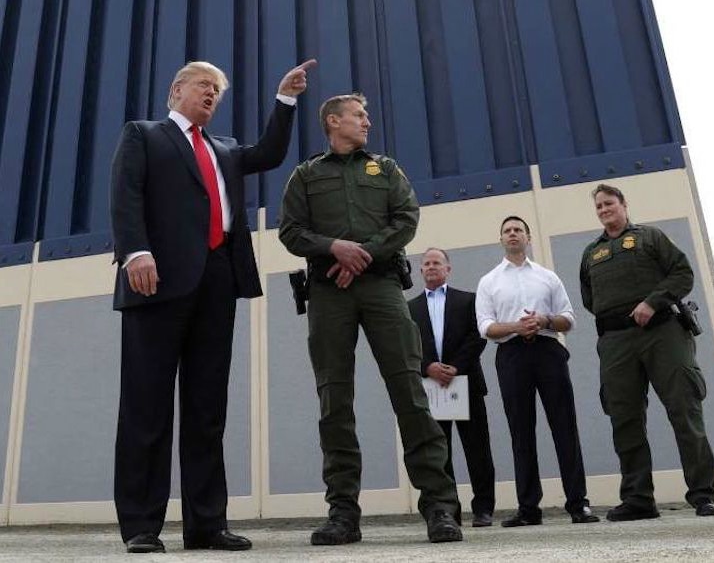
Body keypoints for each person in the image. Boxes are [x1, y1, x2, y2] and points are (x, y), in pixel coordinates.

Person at [110, 58, 315, 553]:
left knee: (207, 409)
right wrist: (135, 252)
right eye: (204, 85)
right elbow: (125, 193)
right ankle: (141, 525)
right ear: (177, 88)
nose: (211, 95)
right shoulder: (144, 135)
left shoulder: (224, 149)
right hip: (154, 282)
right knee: (147, 407)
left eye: (217, 91)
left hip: (216, 285)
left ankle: (206, 523)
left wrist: (285, 99)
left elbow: (268, 152)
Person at [278, 94, 462, 545]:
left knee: (409, 392)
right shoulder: (306, 175)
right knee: (334, 400)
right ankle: (343, 512)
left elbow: (406, 218)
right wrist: (333, 249)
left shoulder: (386, 168)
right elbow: (290, 231)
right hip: (328, 293)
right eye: (359, 115)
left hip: (381, 287)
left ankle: (439, 506)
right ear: (333, 121)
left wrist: (363, 255)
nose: (367, 121)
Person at [578, 184, 714, 521]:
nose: (603, 210)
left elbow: (683, 273)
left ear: (624, 204)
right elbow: (590, 300)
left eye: (609, 203)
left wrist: (652, 302)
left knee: (684, 411)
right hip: (615, 342)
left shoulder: (651, 238)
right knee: (624, 419)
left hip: (661, 334)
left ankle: (703, 495)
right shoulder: (590, 253)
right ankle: (638, 498)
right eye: (598, 206)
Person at [475, 216, 600, 527]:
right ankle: (528, 508)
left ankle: (577, 504)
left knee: (564, 427)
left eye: (518, 229)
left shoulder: (547, 277)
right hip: (511, 354)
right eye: (507, 230)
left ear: (528, 237)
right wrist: (518, 326)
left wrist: (543, 320)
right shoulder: (489, 281)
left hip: (548, 351)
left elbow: (569, 319)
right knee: (521, 431)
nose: (513, 234)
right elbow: (486, 326)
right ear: (501, 239)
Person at [408, 247, 496, 527]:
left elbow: (477, 336)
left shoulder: (468, 300)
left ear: (448, 269)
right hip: (431, 388)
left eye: (437, 263)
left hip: (466, 383)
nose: (432, 267)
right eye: (427, 263)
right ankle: (448, 511)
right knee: (439, 454)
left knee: (478, 449)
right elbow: (406, 345)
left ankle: (483, 509)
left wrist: (455, 366)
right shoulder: (409, 308)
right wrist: (428, 367)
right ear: (420, 270)